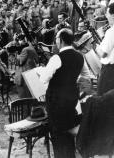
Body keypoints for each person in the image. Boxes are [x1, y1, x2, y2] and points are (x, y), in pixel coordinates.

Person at [35, 29, 90, 158]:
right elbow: (86, 76)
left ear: (60, 41)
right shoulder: (79, 56)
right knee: (68, 130)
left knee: (58, 134)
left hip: (56, 101)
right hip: (71, 99)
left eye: (57, 39)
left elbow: (43, 79)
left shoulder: (56, 58)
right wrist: (72, 81)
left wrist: (42, 71)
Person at [96, 3, 114, 95]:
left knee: (102, 95)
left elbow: (104, 54)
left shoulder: (111, 32)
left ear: (113, 15)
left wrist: (96, 47)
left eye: (107, 13)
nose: (106, 16)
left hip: (109, 71)